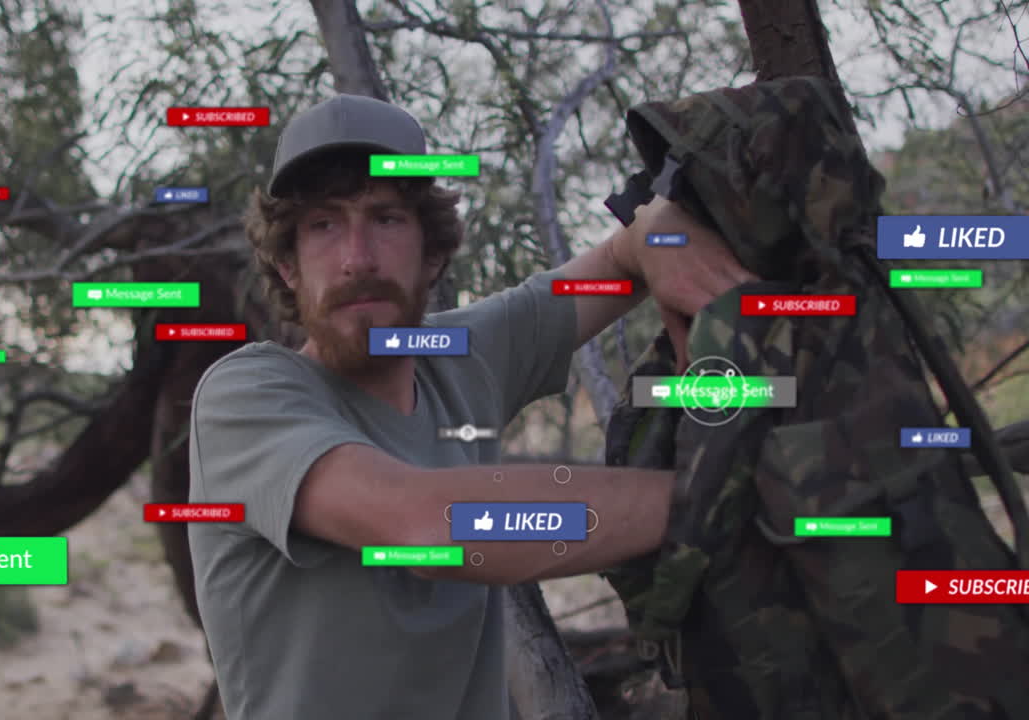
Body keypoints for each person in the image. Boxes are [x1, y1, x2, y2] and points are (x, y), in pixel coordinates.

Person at [187, 94, 756, 720]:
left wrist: (656, 233)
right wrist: (728, 494)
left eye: (386, 218)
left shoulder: (458, 359)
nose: (357, 258)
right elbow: (430, 526)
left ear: (432, 252)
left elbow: (615, 265)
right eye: (323, 225)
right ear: (287, 266)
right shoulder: (246, 396)